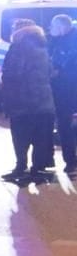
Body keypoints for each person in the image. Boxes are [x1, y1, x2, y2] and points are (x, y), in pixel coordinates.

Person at [0, 21, 55, 184]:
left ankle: (21, 167)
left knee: (20, 136)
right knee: (40, 136)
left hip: (21, 100)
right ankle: (37, 168)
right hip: (43, 100)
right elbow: (50, 72)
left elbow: (14, 73)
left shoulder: (18, 48)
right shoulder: (43, 46)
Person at [47, 14, 77, 175]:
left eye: (52, 26)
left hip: (66, 90)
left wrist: (56, 70)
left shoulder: (69, 43)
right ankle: (71, 161)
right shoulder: (58, 41)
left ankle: (71, 162)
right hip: (64, 90)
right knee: (65, 127)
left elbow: (59, 66)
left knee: (65, 126)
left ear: (61, 27)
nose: (50, 30)